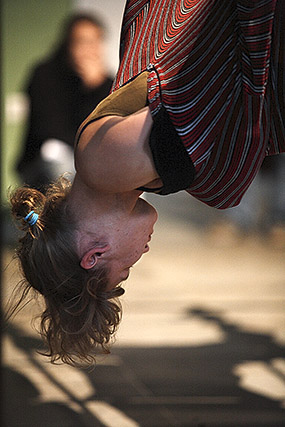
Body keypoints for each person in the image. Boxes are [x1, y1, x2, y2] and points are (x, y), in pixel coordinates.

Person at [9, 0, 284, 367]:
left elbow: (208, 74)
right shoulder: (119, 171)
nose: (143, 254)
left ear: (94, 256)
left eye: (125, 270)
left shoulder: (107, 163)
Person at [16, 13, 113, 190]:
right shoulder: (44, 75)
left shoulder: (107, 84)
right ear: (68, 43)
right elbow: (50, 131)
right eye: (82, 41)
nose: (90, 49)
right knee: (55, 153)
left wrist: (96, 88)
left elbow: (107, 132)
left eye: (95, 41)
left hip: (89, 159)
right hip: (42, 162)